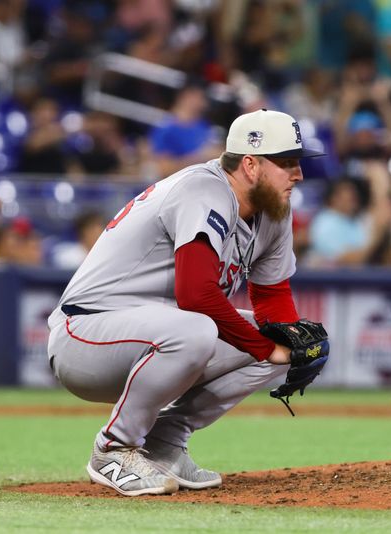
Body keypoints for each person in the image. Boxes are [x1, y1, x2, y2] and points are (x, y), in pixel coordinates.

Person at [46, 109, 324, 496]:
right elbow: (195, 294)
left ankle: (163, 443)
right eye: (287, 163)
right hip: (85, 335)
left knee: (286, 341)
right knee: (201, 328)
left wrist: (290, 345)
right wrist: (265, 348)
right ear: (250, 164)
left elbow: (272, 296)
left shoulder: (273, 210)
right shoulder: (203, 189)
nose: (298, 174)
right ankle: (113, 449)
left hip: (158, 337)